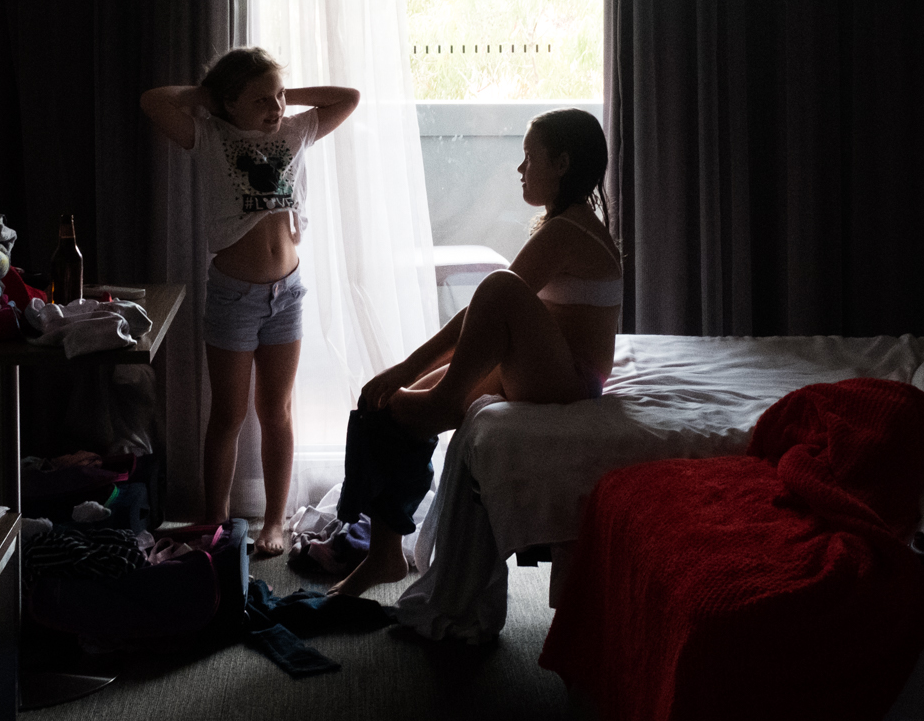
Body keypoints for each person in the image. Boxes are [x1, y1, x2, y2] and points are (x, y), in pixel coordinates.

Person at [334, 107, 620, 594]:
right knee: (384, 409)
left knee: (500, 287)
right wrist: (404, 373)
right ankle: (384, 558)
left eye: (529, 157)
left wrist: (406, 365)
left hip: (570, 380)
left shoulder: (568, 232)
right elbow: (485, 325)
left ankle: (445, 400)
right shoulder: (564, 226)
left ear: (562, 163)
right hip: (541, 369)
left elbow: (487, 308)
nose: (519, 168)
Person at [141, 49, 359, 558]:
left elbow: (348, 98)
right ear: (229, 103)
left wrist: (284, 94)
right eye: (261, 99)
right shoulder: (212, 138)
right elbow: (154, 101)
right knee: (229, 414)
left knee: (277, 411)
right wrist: (211, 100)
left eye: (279, 96)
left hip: (288, 293)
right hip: (234, 296)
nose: (276, 107)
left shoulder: (294, 131)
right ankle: (213, 518)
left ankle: (274, 522)